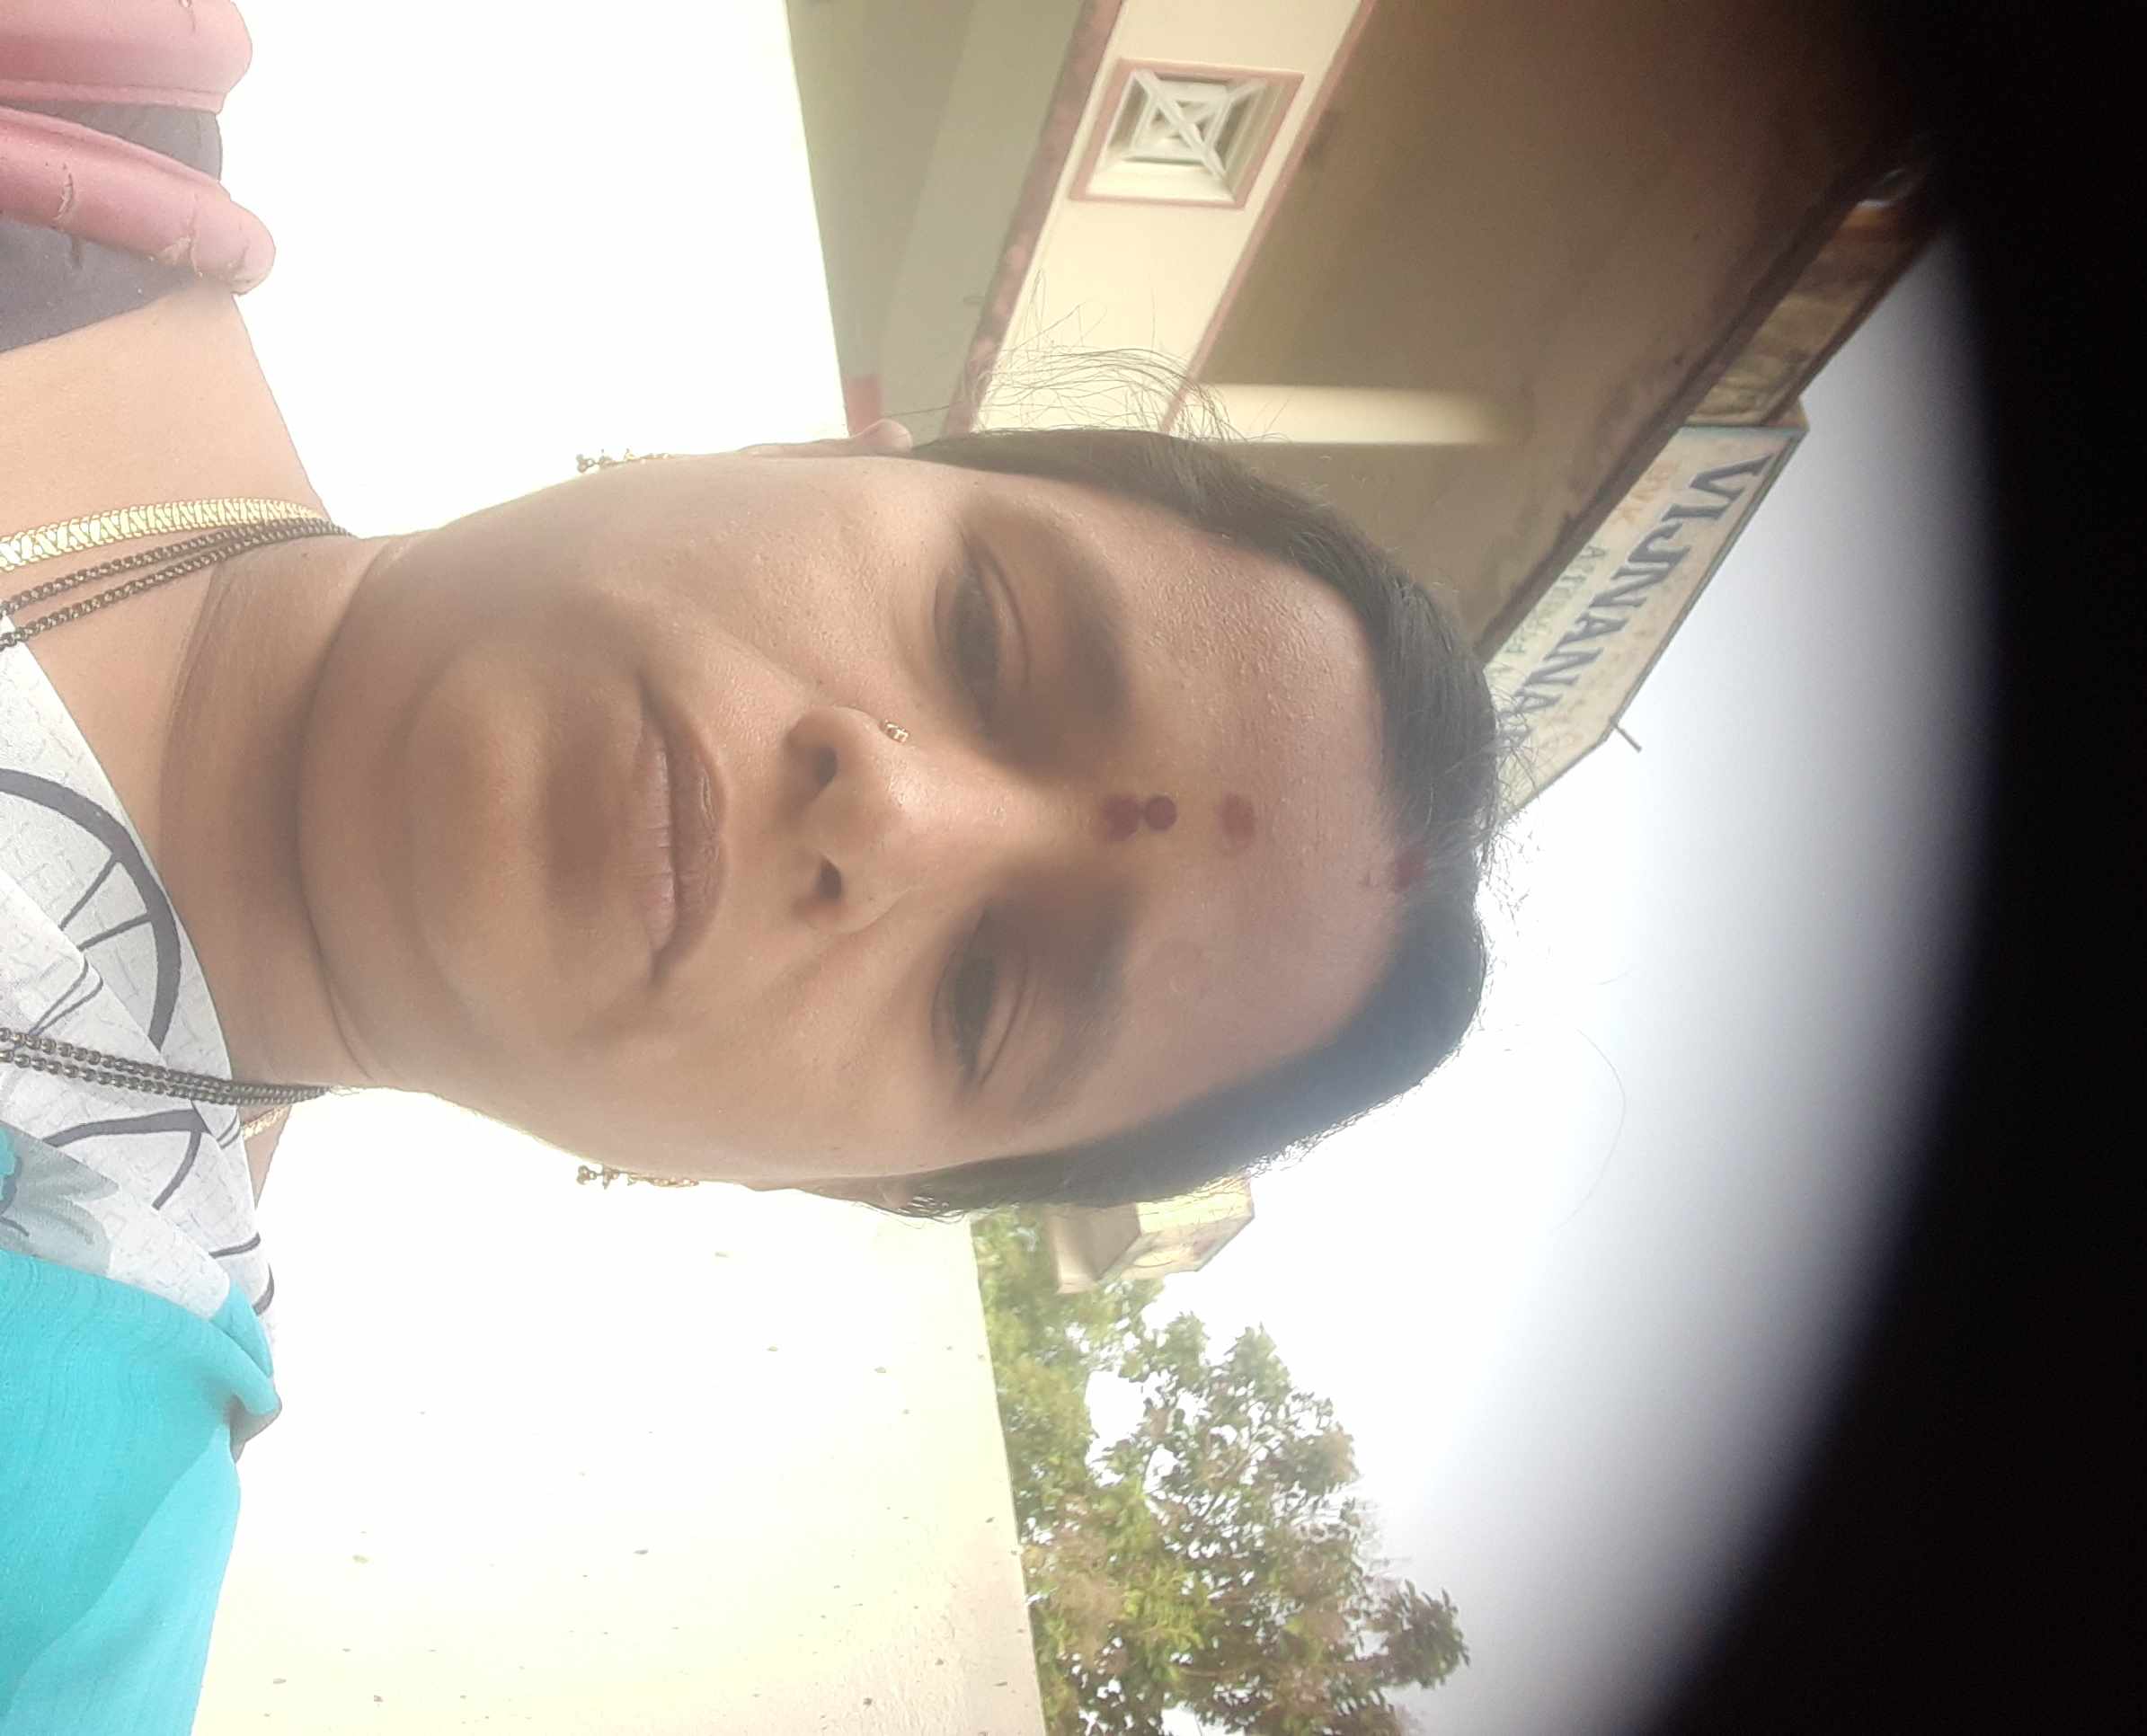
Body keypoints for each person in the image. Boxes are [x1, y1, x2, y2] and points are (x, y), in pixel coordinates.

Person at [1, 4, 1496, 1728]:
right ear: (809, 453)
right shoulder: (77, 89)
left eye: (982, 993)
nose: (895, 819)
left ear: (833, 1181)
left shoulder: (65, 1571)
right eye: (984, 633)